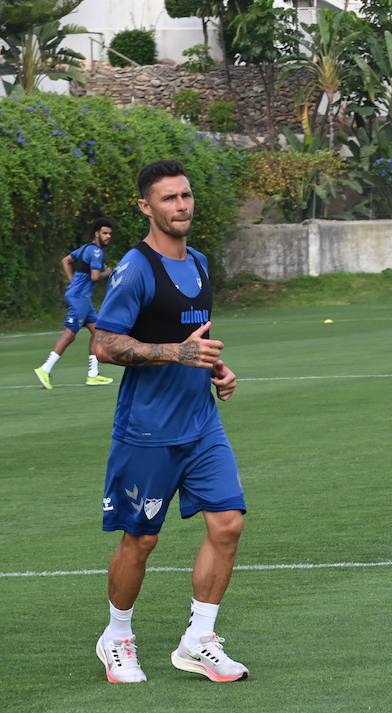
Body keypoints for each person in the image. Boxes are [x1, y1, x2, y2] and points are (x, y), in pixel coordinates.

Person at [90, 159, 248, 683]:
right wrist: (174, 354)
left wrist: (215, 367)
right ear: (146, 207)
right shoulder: (135, 269)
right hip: (149, 430)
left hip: (201, 423)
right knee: (141, 539)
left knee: (228, 523)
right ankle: (116, 636)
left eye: (185, 195)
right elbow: (105, 344)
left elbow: (195, 343)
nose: (181, 205)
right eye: (168, 198)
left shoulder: (200, 264)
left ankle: (199, 639)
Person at [34, 218, 116, 388]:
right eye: (105, 233)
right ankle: (45, 368)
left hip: (82, 298)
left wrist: (72, 282)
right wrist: (107, 272)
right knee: (70, 334)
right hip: (79, 299)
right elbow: (95, 276)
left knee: (98, 332)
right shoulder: (96, 252)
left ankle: (93, 375)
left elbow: (66, 260)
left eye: (109, 234)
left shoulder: (85, 248)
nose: (108, 236)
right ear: (97, 233)